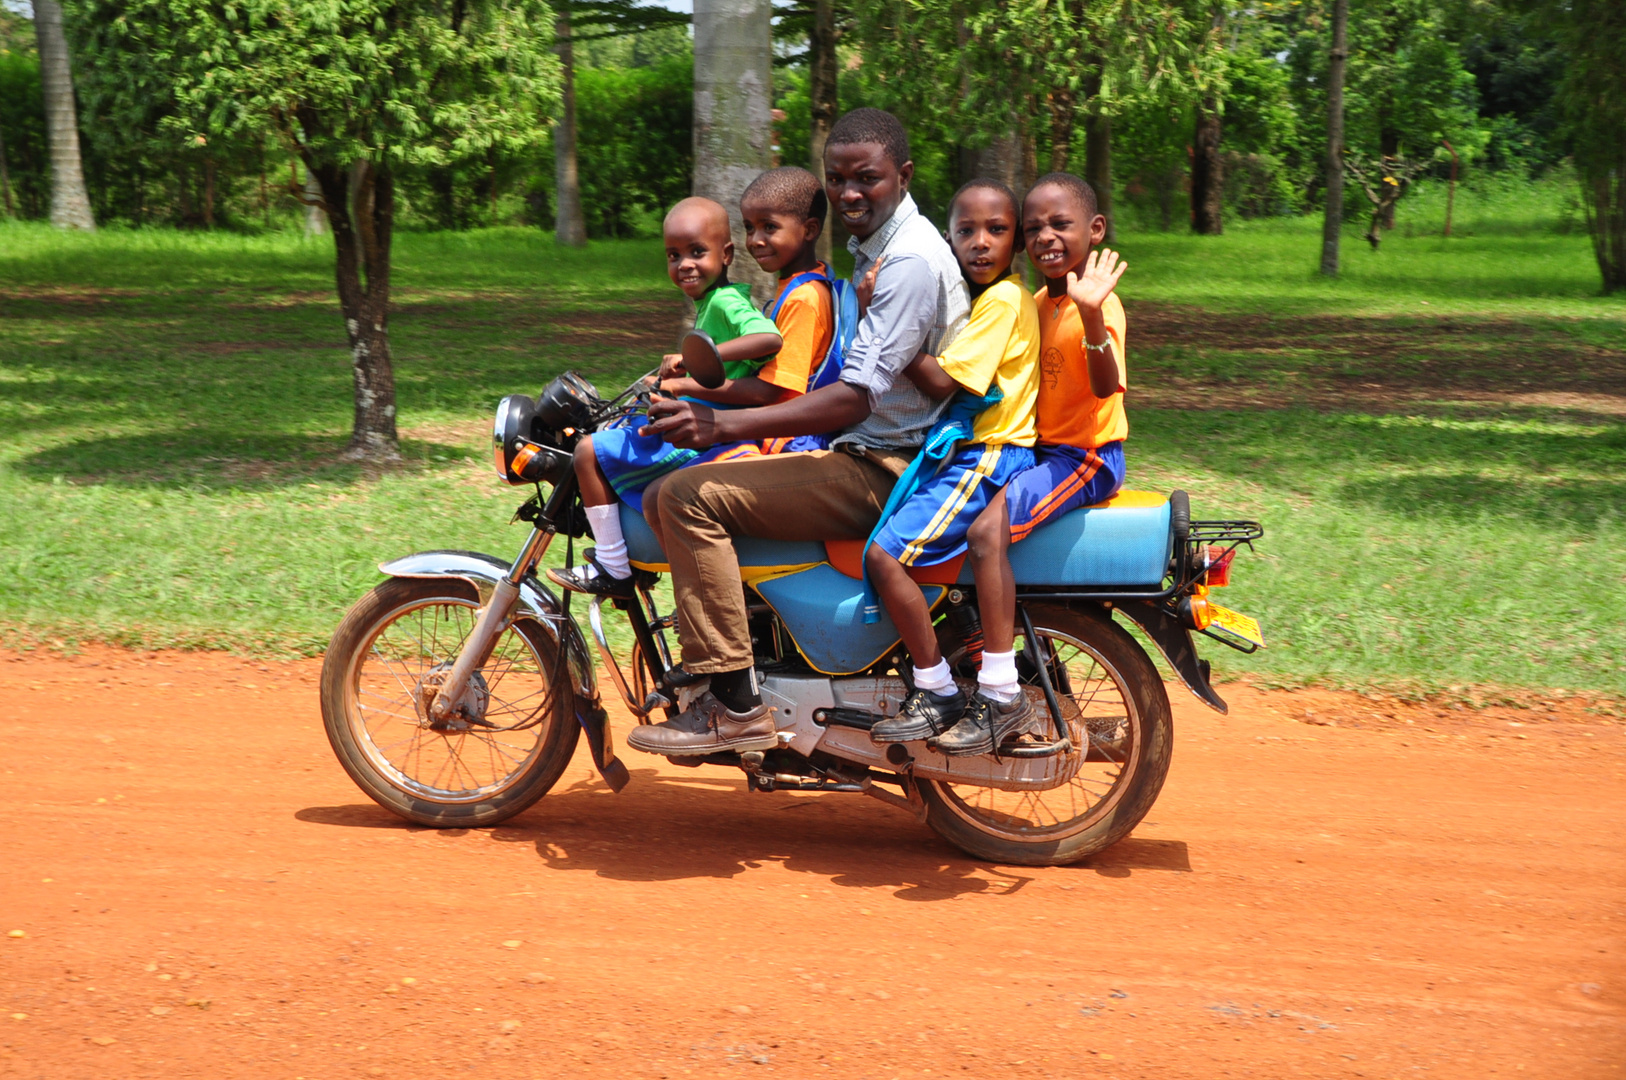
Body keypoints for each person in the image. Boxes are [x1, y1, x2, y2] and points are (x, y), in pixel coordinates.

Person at [624, 107, 970, 757]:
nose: (848, 193)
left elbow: (851, 398)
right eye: (837, 179)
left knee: (686, 496)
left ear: (903, 175)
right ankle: (752, 655)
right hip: (877, 449)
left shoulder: (908, 261)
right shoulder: (884, 247)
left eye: (865, 178)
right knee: (685, 487)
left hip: (887, 465)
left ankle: (733, 705)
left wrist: (724, 423)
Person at [931, 172, 1128, 755]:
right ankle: (1014, 663)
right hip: (1038, 450)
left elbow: (1106, 381)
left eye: (1060, 224)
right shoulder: (1036, 301)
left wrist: (1092, 315)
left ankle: (999, 693)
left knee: (988, 534)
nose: (1046, 236)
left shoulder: (1099, 302)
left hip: (1088, 456)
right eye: (1035, 226)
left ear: (1094, 230)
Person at [859, 179, 1043, 754]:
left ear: (1015, 243)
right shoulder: (991, 297)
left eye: (997, 231)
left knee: (884, 558)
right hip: (977, 451)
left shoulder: (1005, 300)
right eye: (967, 231)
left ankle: (938, 687)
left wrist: (887, 326)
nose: (981, 243)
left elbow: (941, 379)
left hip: (989, 453)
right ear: (949, 238)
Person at [548, 196, 783, 600]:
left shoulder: (726, 301)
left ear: (726, 255)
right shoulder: (710, 303)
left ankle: (614, 567)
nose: (685, 265)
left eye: (697, 252)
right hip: (702, 420)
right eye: (674, 255)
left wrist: (699, 357)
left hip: (707, 430)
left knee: (588, 452)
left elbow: (768, 338)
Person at [640, 166, 838, 550]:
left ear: (809, 230)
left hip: (781, 443)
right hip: (766, 431)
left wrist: (682, 383)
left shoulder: (804, 299)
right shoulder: (797, 286)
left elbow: (770, 393)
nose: (756, 240)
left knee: (662, 496)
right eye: (749, 228)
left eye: (769, 227)